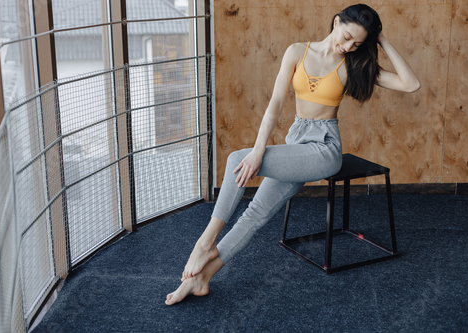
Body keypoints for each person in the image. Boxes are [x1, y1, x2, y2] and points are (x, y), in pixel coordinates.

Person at [165, 4, 420, 305]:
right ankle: (201, 279)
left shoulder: (354, 65)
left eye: (357, 43)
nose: (348, 46)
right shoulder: (297, 51)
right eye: (348, 36)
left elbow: (411, 84)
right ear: (337, 22)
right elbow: (274, 105)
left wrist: (381, 39)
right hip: (296, 143)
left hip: (323, 150)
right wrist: (259, 151)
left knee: (235, 161)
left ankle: (205, 243)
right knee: (255, 213)